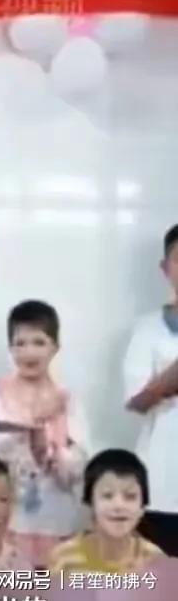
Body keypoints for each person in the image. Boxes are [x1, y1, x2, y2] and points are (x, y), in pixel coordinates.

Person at [0, 300, 89, 567]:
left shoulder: (67, 399)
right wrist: (26, 440)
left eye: (39, 342)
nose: (29, 352)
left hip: (58, 517)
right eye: (20, 343)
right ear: (10, 348)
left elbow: (81, 461)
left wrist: (53, 453)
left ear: (55, 347)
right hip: (12, 517)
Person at [123, 223, 178, 557]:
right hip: (161, 482)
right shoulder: (146, 329)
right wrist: (169, 379)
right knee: (161, 577)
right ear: (165, 268)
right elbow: (137, 401)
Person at [49, 450, 164, 576]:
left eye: (130, 496)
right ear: (91, 504)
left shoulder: (155, 560)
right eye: (107, 495)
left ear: (142, 508)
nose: (119, 505)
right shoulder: (63, 558)